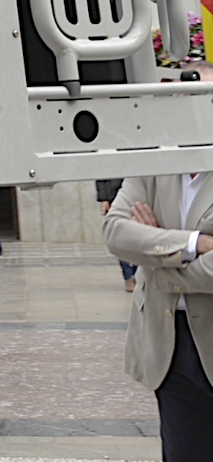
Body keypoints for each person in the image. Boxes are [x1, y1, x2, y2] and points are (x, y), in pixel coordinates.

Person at [104, 63, 213, 461]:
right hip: (169, 345)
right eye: (182, 98)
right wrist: (194, 242)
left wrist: (155, 258)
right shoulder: (154, 160)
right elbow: (116, 232)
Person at [99, 178, 138, 291]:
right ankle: (129, 277)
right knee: (122, 239)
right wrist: (104, 199)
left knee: (138, 237)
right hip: (115, 197)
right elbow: (101, 174)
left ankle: (138, 274)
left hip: (136, 194)